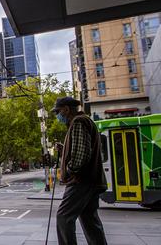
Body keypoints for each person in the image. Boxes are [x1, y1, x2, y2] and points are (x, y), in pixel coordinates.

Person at [53, 96, 107, 245]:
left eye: (57, 112)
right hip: (91, 180)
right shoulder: (85, 121)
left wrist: (69, 170)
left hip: (81, 181)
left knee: (63, 217)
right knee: (90, 219)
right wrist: (65, 151)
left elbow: (81, 155)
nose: (57, 116)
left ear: (66, 109)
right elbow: (81, 148)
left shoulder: (78, 122)